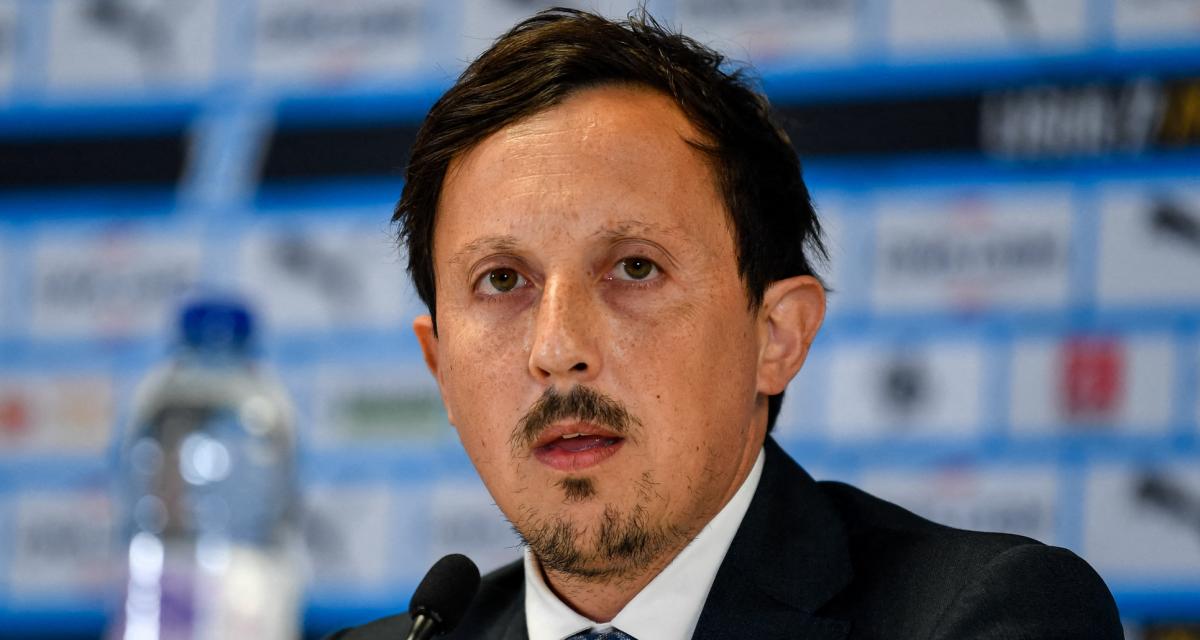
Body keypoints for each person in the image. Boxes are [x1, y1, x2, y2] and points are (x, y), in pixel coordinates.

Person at [334, 8, 1123, 640]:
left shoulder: (984, 617)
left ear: (777, 335)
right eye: (502, 280)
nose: (557, 349)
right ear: (440, 367)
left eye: (634, 268)